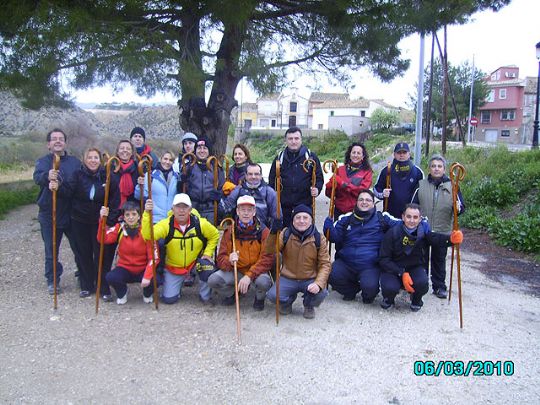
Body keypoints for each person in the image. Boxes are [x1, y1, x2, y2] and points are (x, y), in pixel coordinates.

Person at [60, 147, 120, 299]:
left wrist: (110, 220)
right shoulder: (77, 175)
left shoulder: (108, 176)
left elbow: (114, 201)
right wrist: (57, 185)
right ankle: (87, 285)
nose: (93, 160)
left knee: (102, 254)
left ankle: (103, 286)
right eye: (90, 157)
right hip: (80, 221)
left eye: (95, 158)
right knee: (83, 253)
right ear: (85, 160)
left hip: (100, 222)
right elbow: (67, 192)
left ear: (100, 161)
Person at [379, 203, 462, 312]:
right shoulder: (392, 232)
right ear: (403, 217)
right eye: (408, 217)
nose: (412, 220)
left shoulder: (423, 232)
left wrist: (451, 239)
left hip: (414, 268)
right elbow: (384, 259)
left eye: (415, 217)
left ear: (420, 219)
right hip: (394, 268)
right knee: (389, 287)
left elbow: (436, 239)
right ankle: (388, 299)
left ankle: (416, 299)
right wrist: (401, 272)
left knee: (422, 283)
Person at [323, 189, 399, 304]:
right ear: (356, 202)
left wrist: (421, 223)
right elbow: (334, 237)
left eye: (368, 200)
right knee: (330, 274)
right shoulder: (346, 218)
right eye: (361, 199)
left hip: (370, 265)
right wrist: (328, 228)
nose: (364, 202)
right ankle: (351, 290)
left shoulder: (382, 218)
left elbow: (403, 225)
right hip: (346, 262)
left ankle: (368, 293)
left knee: (369, 290)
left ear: (373, 204)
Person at [142, 193, 220, 304]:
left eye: (185, 207)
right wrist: (146, 214)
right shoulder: (165, 225)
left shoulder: (200, 223)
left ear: (190, 209)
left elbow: (215, 235)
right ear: (172, 209)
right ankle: (175, 288)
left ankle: (205, 296)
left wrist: (207, 253)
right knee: (169, 300)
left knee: (207, 268)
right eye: (178, 207)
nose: (181, 210)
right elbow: (148, 236)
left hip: (195, 263)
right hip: (173, 267)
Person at [33, 128, 82, 294]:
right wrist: (47, 176)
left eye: (61, 138)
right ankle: (52, 279)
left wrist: (61, 185)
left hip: (71, 212)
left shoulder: (75, 163)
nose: (58, 141)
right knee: (51, 249)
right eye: (54, 139)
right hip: (49, 213)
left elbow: (78, 185)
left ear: (65, 143)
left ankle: (82, 274)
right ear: (48, 144)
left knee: (78, 246)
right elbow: (37, 178)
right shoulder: (42, 162)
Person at [412, 154, 465, 299]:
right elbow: (413, 205)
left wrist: (458, 207)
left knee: (439, 260)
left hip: (442, 230)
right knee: (421, 259)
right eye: (433, 166)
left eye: (439, 166)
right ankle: (420, 286)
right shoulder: (421, 184)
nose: (436, 169)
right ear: (429, 168)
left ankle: (439, 286)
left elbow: (460, 208)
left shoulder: (453, 186)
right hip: (423, 229)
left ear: (444, 169)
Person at [208, 195, 274, 310]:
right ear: (237, 211)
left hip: (257, 271)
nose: (246, 213)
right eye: (243, 210)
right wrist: (229, 260)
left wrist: (249, 275)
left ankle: (259, 298)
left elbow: (267, 259)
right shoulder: (230, 232)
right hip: (237, 270)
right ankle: (234, 293)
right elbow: (220, 258)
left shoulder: (263, 231)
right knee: (213, 280)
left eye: (249, 210)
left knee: (264, 282)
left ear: (254, 212)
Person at [265, 204, 331, 319]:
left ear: (311, 221)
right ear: (293, 220)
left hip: (309, 278)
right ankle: (287, 301)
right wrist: (273, 233)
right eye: (298, 217)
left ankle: (309, 304)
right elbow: (270, 250)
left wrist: (318, 283)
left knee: (322, 292)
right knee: (272, 295)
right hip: (288, 277)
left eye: (305, 218)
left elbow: (325, 264)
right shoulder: (286, 234)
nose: (301, 221)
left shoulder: (319, 238)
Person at [100, 201, 158, 305]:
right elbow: (103, 239)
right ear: (124, 217)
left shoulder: (146, 230)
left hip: (142, 268)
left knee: (157, 279)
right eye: (127, 215)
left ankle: (147, 293)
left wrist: (147, 276)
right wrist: (102, 220)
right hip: (124, 268)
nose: (131, 217)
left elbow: (154, 258)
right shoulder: (119, 228)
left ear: (139, 216)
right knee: (111, 277)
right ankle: (123, 292)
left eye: (134, 214)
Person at [268, 127, 323, 226]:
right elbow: (272, 179)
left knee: (304, 235)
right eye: (290, 139)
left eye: (296, 138)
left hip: (304, 205)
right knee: (284, 236)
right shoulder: (279, 158)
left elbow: (319, 178)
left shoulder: (311, 157)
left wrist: (317, 189)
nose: (293, 141)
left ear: (301, 139)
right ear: (286, 140)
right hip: (284, 206)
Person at [220, 163, 279, 227]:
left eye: (256, 174)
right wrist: (218, 197)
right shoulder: (238, 190)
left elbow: (277, 217)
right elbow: (225, 209)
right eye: (250, 174)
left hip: (262, 232)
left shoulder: (269, 192)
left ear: (261, 176)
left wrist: (270, 234)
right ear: (245, 175)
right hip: (240, 231)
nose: (253, 177)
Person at [373, 142, 423, 218]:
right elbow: (376, 190)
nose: (401, 155)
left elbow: (422, 195)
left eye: (404, 152)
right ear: (394, 154)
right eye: (399, 152)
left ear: (409, 154)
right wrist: (382, 193)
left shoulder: (418, 172)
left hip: (410, 218)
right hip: (390, 217)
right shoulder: (386, 170)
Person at [182, 137, 224, 225]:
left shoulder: (215, 167)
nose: (202, 151)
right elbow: (182, 188)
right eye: (199, 148)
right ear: (195, 150)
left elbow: (222, 187)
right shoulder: (189, 167)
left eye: (205, 148)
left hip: (211, 209)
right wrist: (181, 182)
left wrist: (219, 195)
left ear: (209, 151)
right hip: (193, 208)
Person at [325, 143, 373, 219]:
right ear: (349, 154)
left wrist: (343, 183)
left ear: (363, 156)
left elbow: (362, 191)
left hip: (357, 211)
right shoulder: (340, 170)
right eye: (353, 152)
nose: (355, 155)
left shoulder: (367, 172)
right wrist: (330, 185)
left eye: (358, 153)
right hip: (339, 210)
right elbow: (329, 194)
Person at [114, 139, 140, 208]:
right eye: (122, 148)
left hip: (132, 210)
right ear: (117, 151)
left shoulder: (138, 168)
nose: (125, 150)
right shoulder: (111, 167)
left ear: (132, 152)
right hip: (114, 209)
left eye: (128, 149)